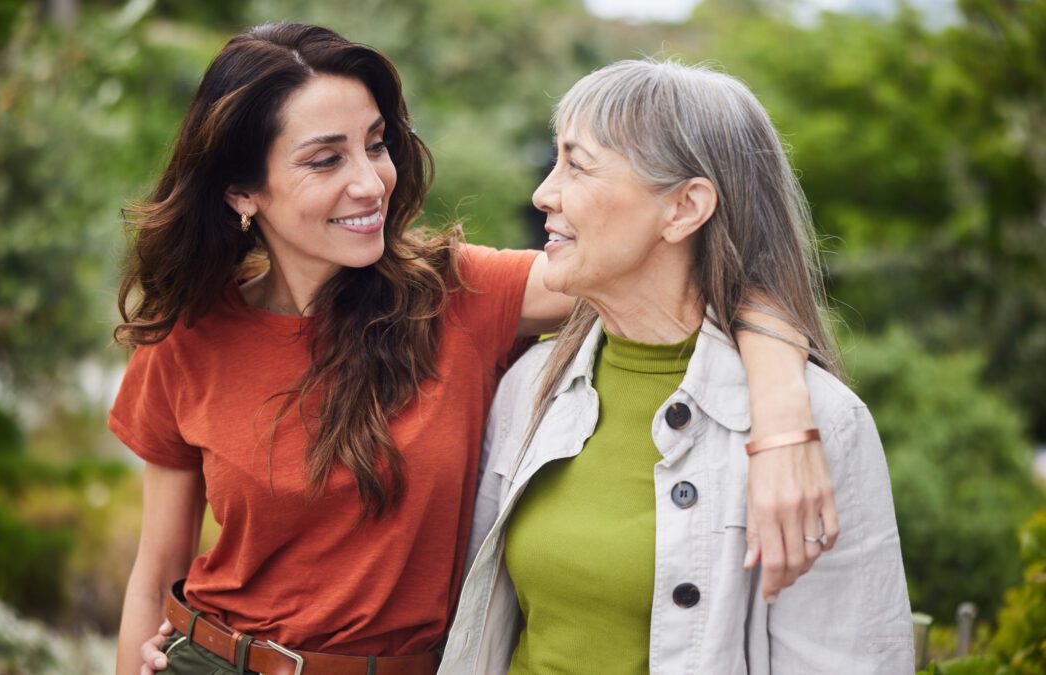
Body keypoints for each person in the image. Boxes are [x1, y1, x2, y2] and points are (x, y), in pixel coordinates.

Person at [113, 24, 839, 675]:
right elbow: (157, 571)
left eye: (375, 144)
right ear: (243, 190)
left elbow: (704, 267)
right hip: (205, 659)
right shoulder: (187, 336)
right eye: (325, 160)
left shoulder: (457, 295)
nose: (370, 181)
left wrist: (783, 423)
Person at [439, 60, 914, 675]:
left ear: (685, 208)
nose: (544, 193)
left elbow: (846, 660)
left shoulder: (822, 423)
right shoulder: (532, 388)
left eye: (577, 165)